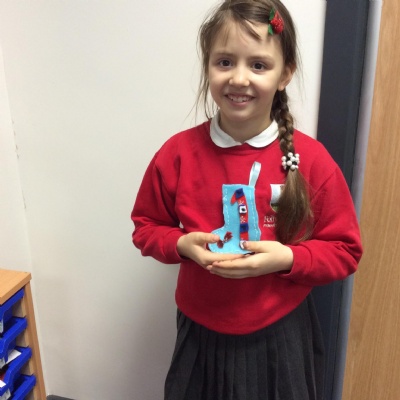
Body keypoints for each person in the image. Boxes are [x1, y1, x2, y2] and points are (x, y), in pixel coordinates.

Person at [131, 0, 363, 399]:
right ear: (207, 66)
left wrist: (286, 258)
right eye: (224, 62)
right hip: (200, 333)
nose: (239, 79)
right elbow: (146, 228)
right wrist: (182, 245)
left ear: (285, 74)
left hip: (282, 335)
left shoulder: (312, 161)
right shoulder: (177, 155)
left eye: (258, 65)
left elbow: (345, 250)